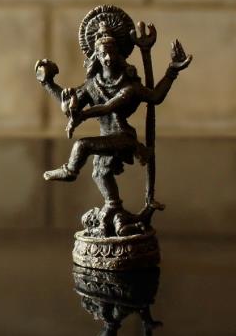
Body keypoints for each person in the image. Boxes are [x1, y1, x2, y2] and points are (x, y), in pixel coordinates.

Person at [35, 21, 191, 236]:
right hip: (106, 139)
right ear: (96, 57)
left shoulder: (129, 86)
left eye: (111, 53)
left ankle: (70, 171)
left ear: (119, 54)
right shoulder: (93, 84)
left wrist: (172, 71)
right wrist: (48, 83)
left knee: (82, 145)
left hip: (123, 138)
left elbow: (151, 97)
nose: (107, 58)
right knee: (100, 174)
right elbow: (70, 105)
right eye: (102, 54)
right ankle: (115, 212)